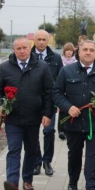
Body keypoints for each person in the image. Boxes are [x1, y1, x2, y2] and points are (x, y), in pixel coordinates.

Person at [0, 37, 54, 190]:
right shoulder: (6, 67)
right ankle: (12, 182)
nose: (21, 51)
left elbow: (49, 92)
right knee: (14, 149)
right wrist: (0, 106)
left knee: (31, 149)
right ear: (14, 50)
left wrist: (48, 113)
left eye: (24, 48)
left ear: (30, 48)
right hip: (12, 118)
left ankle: (27, 180)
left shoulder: (42, 66)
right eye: (18, 48)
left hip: (33, 117)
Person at [53, 40, 95, 190]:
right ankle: (73, 180)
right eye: (84, 50)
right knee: (74, 153)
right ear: (78, 52)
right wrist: (68, 107)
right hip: (74, 122)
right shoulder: (67, 71)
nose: (88, 52)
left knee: (93, 156)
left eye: (91, 50)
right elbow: (57, 93)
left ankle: (92, 188)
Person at [31, 29, 63, 176]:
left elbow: (61, 78)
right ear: (34, 40)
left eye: (45, 39)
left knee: (49, 131)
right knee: (32, 133)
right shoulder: (28, 56)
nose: (42, 42)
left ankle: (47, 161)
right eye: (39, 39)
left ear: (48, 40)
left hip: (50, 101)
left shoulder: (55, 58)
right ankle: (36, 161)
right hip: (32, 101)